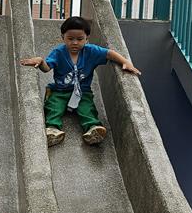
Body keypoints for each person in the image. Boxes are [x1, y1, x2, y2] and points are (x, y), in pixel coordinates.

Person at [19, 15, 142, 147]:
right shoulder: (58, 53)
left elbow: (109, 53)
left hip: (82, 92)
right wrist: (41, 61)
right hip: (60, 91)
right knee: (53, 106)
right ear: (63, 37)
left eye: (79, 39)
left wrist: (125, 62)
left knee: (87, 108)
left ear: (86, 38)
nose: (75, 43)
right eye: (70, 39)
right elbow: (47, 68)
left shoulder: (91, 51)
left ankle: (92, 129)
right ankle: (52, 130)